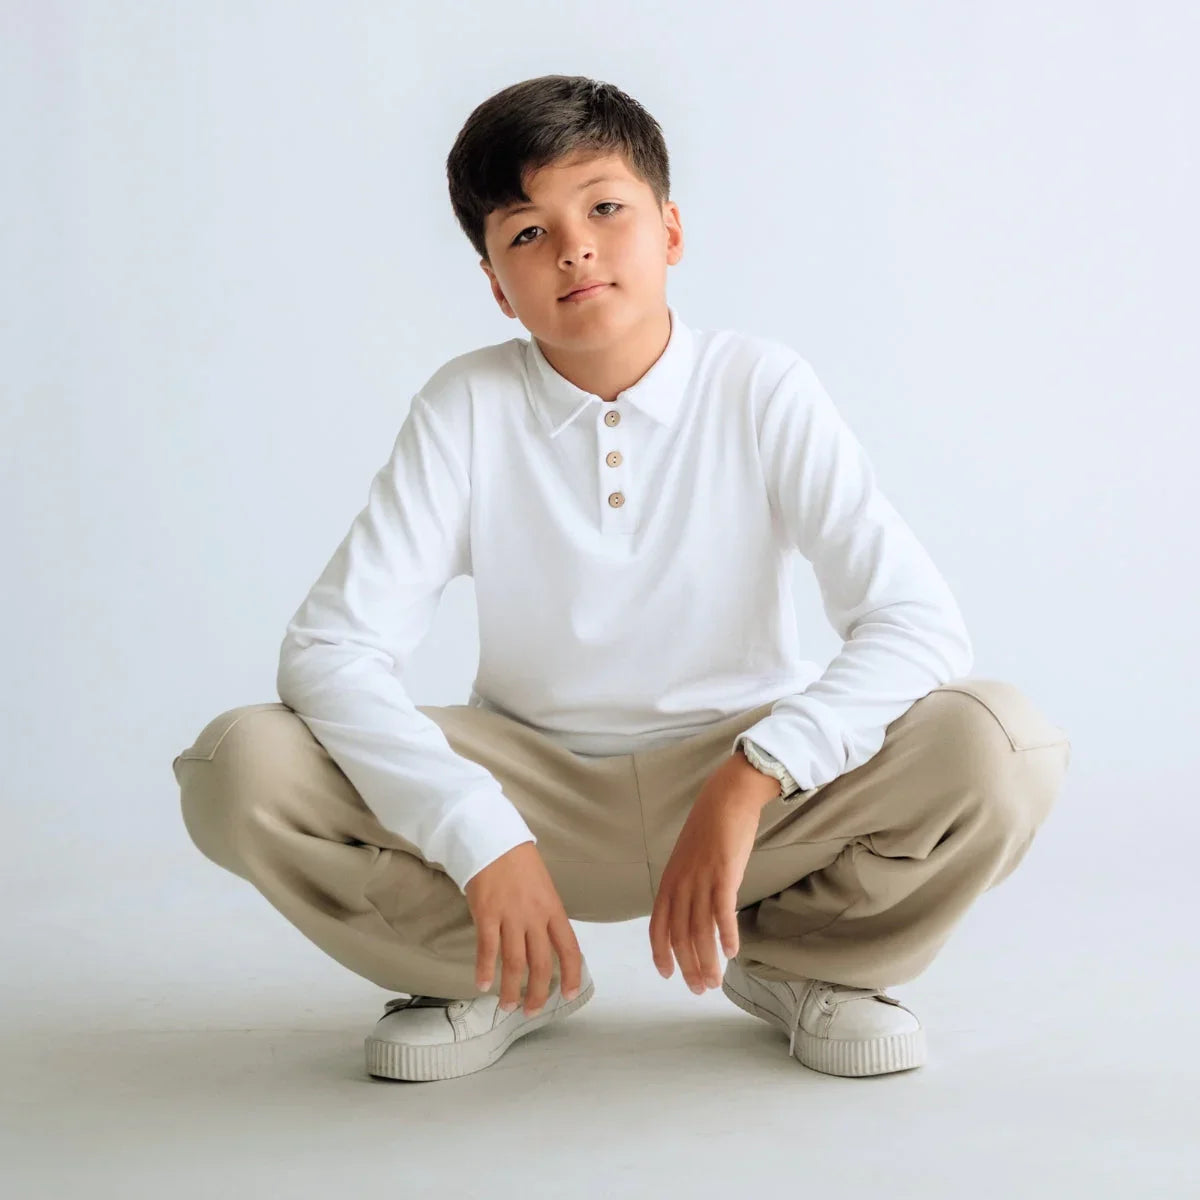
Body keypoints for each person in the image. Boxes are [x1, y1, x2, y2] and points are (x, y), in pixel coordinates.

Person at [172, 74, 1071, 1084]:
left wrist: (753, 775)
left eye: (605, 207)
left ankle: (814, 965)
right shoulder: (465, 405)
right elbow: (333, 647)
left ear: (671, 229)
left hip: (749, 790)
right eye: (526, 232)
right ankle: (499, 975)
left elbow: (916, 624)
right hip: (533, 786)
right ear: (494, 284)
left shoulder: (760, 385)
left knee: (1000, 741)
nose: (574, 248)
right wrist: (477, 833)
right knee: (238, 767)